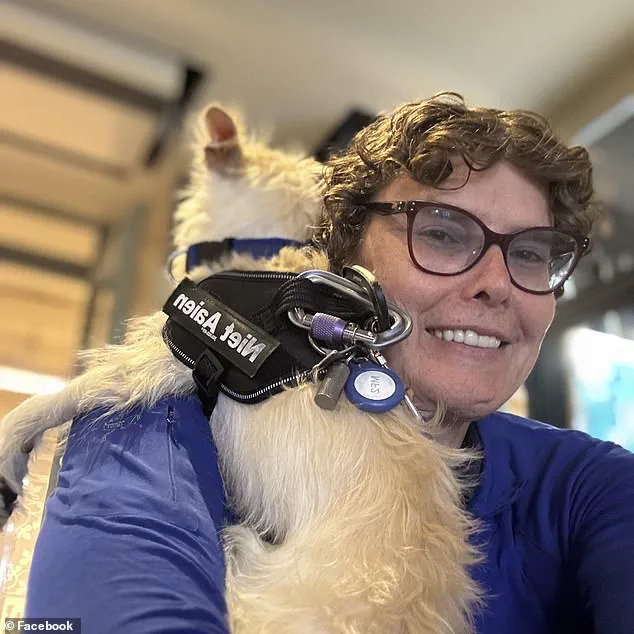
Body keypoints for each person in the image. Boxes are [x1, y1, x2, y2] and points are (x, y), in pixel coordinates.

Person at [23, 94, 634, 633]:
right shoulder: (160, 415)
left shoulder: (588, 485)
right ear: (342, 266)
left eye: (530, 253)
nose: (496, 284)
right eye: (443, 233)